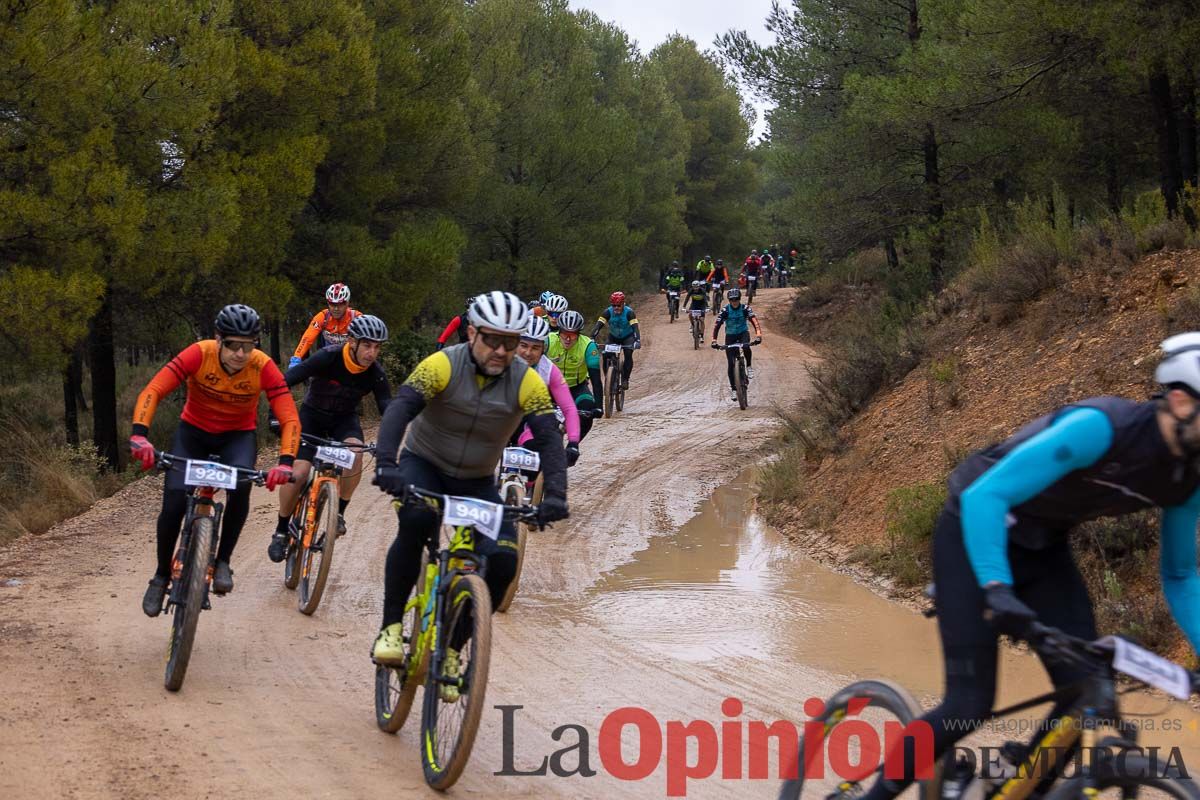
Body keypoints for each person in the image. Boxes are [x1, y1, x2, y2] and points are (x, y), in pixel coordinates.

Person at [856, 331, 1200, 800]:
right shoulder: (1102, 428)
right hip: (973, 529)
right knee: (969, 703)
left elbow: (1179, 575)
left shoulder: (1188, 478)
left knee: (1085, 694)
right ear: (1181, 400)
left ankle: (1015, 786)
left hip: (1042, 548)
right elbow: (985, 497)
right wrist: (997, 588)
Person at [370, 291, 569, 674]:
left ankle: (451, 650)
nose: (500, 350)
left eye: (510, 342)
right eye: (491, 339)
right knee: (416, 522)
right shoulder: (442, 364)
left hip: (476, 481)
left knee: (504, 562)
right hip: (424, 463)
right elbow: (401, 409)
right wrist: (386, 464)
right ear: (472, 334)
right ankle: (391, 629)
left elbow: (548, 438)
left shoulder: (526, 381)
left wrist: (556, 494)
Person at [131, 304, 299, 614]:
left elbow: (289, 418)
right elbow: (154, 390)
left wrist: (285, 462)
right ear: (218, 340)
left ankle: (223, 562)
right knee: (173, 504)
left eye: (248, 346)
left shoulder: (262, 366)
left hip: (237, 437)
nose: (240, 353)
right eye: (234, 344)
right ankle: (160, 576)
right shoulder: (199, 353)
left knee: (242, 488)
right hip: (192, 434)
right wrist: (140, 435)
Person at [268, 315, 392, 561]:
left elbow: (387, 406)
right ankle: (281, 530)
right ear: (353, 341)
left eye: (377, 347)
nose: (372, 353)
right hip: (311, 417)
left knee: (356, 453)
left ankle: (339, 514)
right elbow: (285, 381)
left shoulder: (375, 373)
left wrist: (391, 440)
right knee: (299, 473)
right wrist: (274, 414)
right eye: (367, 345)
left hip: (344, 421)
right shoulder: (329, 356)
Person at [514, 316, 581, 466]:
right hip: (504, 416)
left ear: (543, 348)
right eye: (523, 345)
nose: (528, 352)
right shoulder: (501, 361)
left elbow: (569, 408)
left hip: (531, 420)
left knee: (535, 451)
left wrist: (573, 443)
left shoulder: (549, 370)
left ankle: (528, 485)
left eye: (535, 347)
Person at [547, 310, 604, 441]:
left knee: (587, 409)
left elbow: (596, 381)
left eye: (572, 335)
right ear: (558, 331)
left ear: (579, 334)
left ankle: (573, 447)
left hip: (576, 388)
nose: (567, 339)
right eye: (564, 334)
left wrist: (599, 406)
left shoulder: (588, 346)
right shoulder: (548, 341)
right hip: (550, 388)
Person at [290, 283, 361, 368]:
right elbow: (307, 338)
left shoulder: (356, 318)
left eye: (340, 304)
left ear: (347, 303)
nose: (336, 309)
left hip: (351, 360)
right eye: (332, 304)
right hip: (329, 360)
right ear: (328, 303)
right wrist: (296, 357)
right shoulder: (323, 317)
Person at [711, 288, 762, 402]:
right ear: (729, 300)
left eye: (737, 299)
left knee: (746, 346)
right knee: (730, 363)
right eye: (732, 300)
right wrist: (714, 340)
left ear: (739, 299)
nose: (734, 302)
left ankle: (748, 366)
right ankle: (734, 389)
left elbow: (754, 321)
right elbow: (717, 325)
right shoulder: (725, 310)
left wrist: (758, 335)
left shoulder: (745, 308)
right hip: (730, 336)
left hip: (743, 333)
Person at [590, 291, 641, 390]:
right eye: (614, 305)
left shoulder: (629, 313)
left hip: (627, 337)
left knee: (628, 353)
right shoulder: (607, 312)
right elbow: (598, 326)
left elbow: (635, 328)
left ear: (623, 304)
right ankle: (608, 378)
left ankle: (625, 379)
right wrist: (592, 337)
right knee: (605, 354)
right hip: (613, 337)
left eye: (618, 305)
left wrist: (637, 340)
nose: (616, 308)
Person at [684, 279, 709, 344]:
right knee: (690, 314)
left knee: (702, 320)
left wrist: (707, 307)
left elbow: (705, 299)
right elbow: (687, 298)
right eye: (694, 287)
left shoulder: (702, 290)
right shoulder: (691, 291)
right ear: (692, 287)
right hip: (694, 305)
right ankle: (692, 325)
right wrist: (684, 306)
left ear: (699, 286)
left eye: (697, 287)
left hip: (702, 305)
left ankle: (702, 336)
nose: (695, 288)